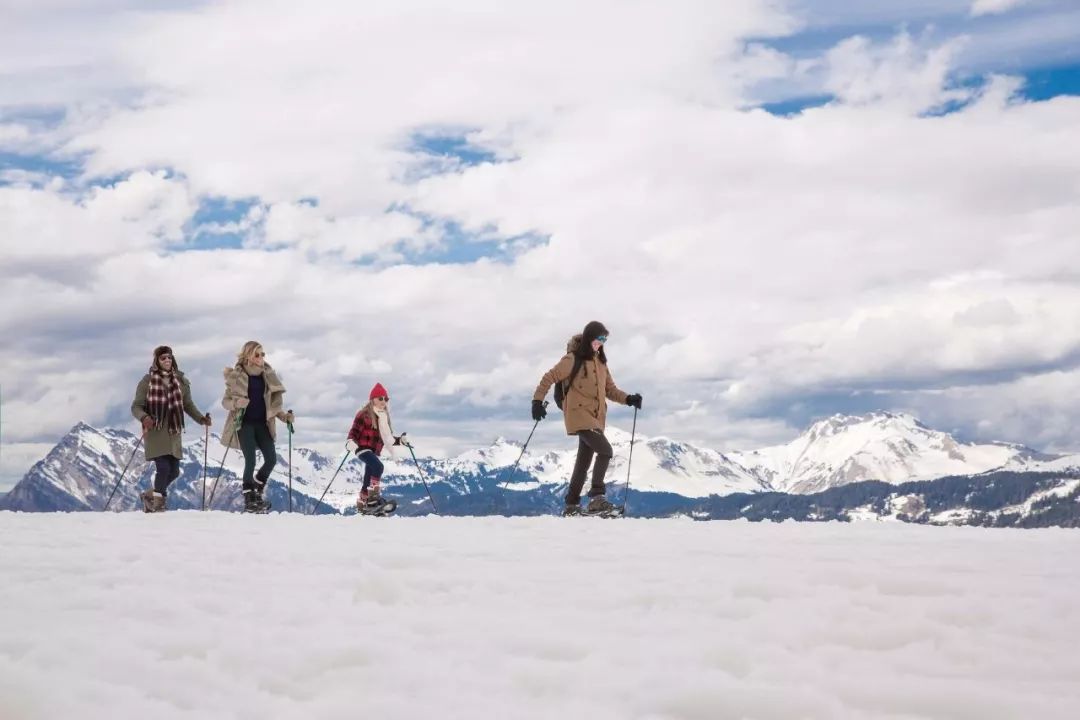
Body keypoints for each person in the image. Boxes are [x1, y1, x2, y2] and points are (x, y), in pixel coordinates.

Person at [532, 321, 642, 516]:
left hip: (596, 417)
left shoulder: (601, 364)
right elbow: (549, 377)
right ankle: (597, 499)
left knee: (583, 463)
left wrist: (628, 399)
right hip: (578, 414)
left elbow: (610, 390)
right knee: (606, 451)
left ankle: (571, 505)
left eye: (604, 340)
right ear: (590, 337)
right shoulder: (572, 359)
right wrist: (537, 401)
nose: (601, 343)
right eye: (599, 339)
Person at [130, 345, 212, 512]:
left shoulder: (180, 381)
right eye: (163, 358)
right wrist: (145, 418)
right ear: (157, 361)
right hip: (155, 431)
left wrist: (201, 419)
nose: (167, 360)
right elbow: (136, 407)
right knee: (163, 468)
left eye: (169, 357)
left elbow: (187, 405)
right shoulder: (147, 382)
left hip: (173, 432)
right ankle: (158, 504)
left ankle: (149, 496)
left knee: (174, 472)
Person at [221, 341, 294, 513]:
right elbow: (225, 402)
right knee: (250, 460)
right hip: (244, 424)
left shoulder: (267, 376)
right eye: (257, 354)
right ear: (248, 357)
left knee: (271, 459)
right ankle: (250, 498)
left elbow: (273, 407)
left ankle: (257, 488)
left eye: (263, 354)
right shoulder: (236, 377)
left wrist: (285, 417)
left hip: (263, 424)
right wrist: (237, 403)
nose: (261, 358)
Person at [346, 382, 409, 514]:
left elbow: (388, 439)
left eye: (385, 399)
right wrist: (350, 442)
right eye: (380, 398)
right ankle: (373, 500)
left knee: (369, 475)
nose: (383, 401)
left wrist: (401, 441)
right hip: (362, 448)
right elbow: (353, 432)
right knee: (378, 467)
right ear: (373, 399)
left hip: (374, 451)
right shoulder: (363, 414)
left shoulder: (383, 417)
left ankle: (363, 503)